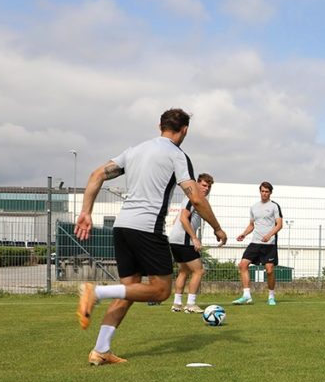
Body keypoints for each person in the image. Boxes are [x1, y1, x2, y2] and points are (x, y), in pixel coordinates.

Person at [75, 108, 227, 366]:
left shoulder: (134, 151)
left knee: (130, 290)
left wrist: (86, 212)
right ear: (185, 130)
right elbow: (196, 198)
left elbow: (96, 174)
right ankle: (96, 292)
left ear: (160, 126)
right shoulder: (177, 156)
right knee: (160, 290)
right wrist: (217, 227)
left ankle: (100, 350)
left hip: (122, 228)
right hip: (147, 229)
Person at [168, 173, 216, 313]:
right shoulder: (193, 197)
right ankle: (190, 304)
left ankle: (176, 304)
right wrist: (194, 238)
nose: (206, 188)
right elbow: (184, 218)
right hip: (184, 240)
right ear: (196, 184)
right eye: (204, 185)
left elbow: (181, 216)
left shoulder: (191, 198)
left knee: (184, 271)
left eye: (209, 186)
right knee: (199, 271)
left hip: (175, 239)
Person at [232, 182, 283, 306]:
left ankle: (271, 296)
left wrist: (269, 235)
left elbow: (279, 225)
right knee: (243, 265)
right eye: (262, 191)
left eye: (267, 191)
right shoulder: (254, 207)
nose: (264, 193)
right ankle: (246, 296)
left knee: (269, 270)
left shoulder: (274, 206)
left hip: (269, 243)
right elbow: (252, 225)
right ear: (260, 192)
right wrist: (244, 234)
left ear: (270, 193)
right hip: (255, 242)